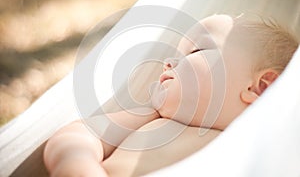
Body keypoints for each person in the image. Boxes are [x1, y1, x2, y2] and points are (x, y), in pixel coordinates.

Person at [43, 14, 299, 177]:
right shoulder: (149, 117)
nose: (168, 62)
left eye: (195, 50)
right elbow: (81, 133)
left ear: (261, 87)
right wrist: (76, 163)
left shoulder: (259, 148)